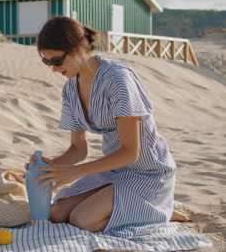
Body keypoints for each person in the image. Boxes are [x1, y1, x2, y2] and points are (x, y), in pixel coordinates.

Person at [27, 16, 183, 238]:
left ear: (78, 49)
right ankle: (141, 208)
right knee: (57, 213)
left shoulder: (118, 79)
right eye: (47, 62)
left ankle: (158, 209)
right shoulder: (71, 88)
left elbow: (131, 152)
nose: (53, 69)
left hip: (148, 172)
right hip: (113, 170)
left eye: (57, 61)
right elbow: (78, 149)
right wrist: (50, 166)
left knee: (82, 220)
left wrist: (74, 173)